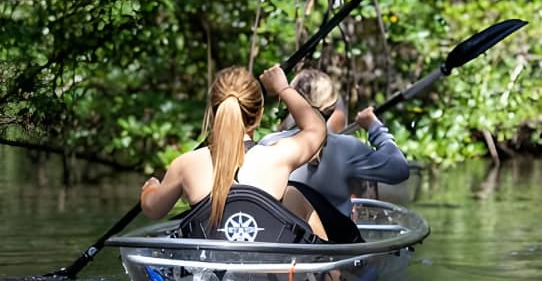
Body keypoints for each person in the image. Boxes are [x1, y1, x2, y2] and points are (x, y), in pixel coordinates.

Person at [139, 64, 327, 235]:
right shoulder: (278, 157)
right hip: (265, 267)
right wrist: (283, 88)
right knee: (294, 195)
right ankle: (331, 272)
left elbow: (153, 209)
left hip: (208, 268)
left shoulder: (185, 165)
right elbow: (316, 128)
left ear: (213, 113)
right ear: (259, 114)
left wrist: (150, 189)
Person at [260, 69, 410, 220]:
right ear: (331, 109)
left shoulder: (268, 144)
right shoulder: (347, 149)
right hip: (332, 241)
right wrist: (375, 128)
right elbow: (400, 169)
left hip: (287, 240)